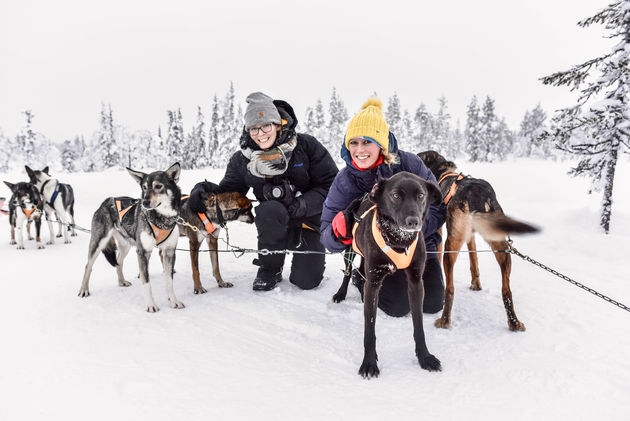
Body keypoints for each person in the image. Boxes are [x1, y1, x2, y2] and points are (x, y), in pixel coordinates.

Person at [192, 92, 338, 291]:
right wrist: (204, 190)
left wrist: (301, 204)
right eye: (254, 128)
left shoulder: (306, 146)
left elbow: (331, 185)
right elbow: (229, 193)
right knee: (269, 210)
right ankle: (271, 268)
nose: (260, 134)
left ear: (278, 125)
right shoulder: (243, 159)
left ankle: (306, 257)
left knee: (306, 281)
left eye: (266, 126)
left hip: (308, 221)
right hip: (273, 223)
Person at [320, 97, 446, 317]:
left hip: (418, 246)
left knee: (432, 303)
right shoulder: (345, 181)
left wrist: (408, 231)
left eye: (367, 142)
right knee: (397, 307)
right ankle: (362, 278)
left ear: (382, 144)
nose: (360, 150)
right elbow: (326, 237)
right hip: (379, 253)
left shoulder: (410, 165)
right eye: (354, 142)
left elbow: (437, 207)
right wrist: (337, 232)